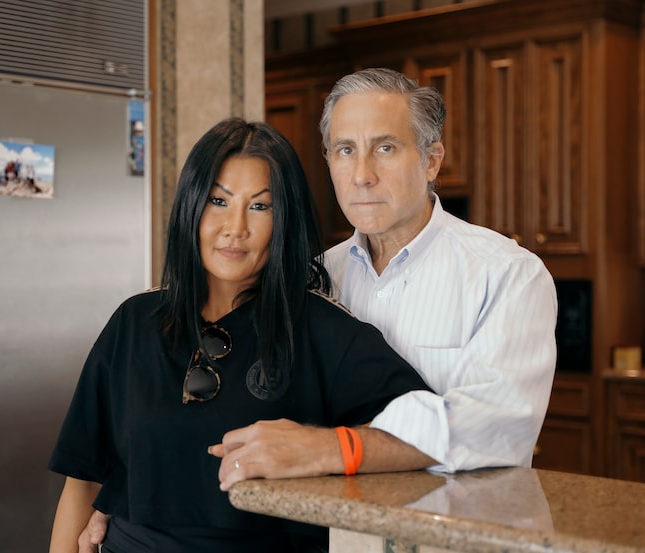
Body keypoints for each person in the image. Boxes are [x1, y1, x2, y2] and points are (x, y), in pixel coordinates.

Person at [78, 68, 558, 551]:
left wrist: (334, 445)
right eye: (345, 150)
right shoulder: (307, 280)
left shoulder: (507, 274)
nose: (363, 172)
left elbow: (496, 426)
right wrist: (123, 494)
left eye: (385, 147)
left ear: (433, 160)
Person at [48, 117, 432, 553]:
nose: (235, 228)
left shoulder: (323, 330)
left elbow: (428, 434)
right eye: (218, 200)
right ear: (191, 206)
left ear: (284, 218)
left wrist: (328, 447)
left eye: (260, 206)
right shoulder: (135, 322)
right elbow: (81, 484)